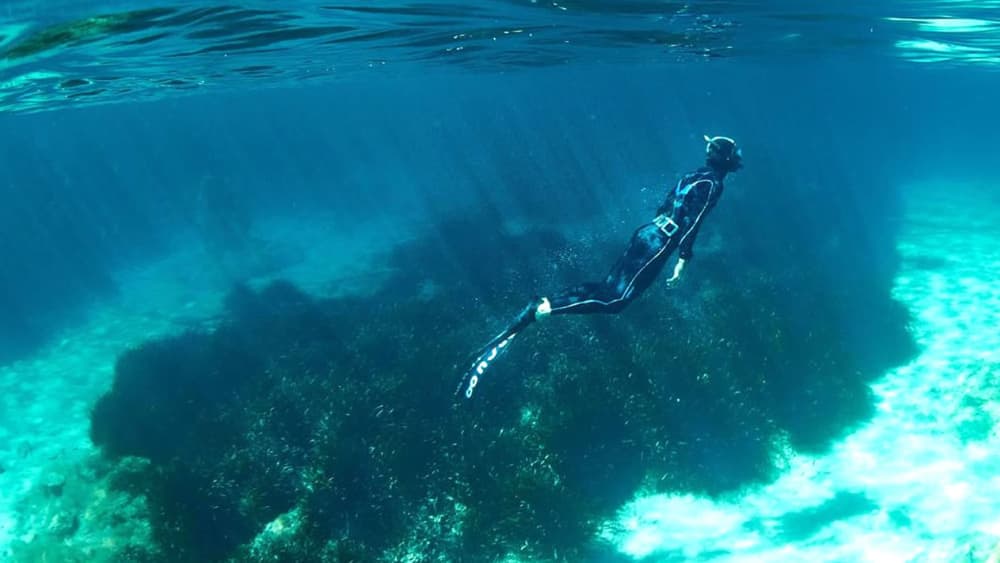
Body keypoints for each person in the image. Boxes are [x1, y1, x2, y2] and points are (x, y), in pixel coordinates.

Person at [458, 135, 743, 399]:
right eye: (735, 154)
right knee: (616, 300)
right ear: (728, 160)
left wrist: (659, 233)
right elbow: (695, 220)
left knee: (607, 287)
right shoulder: (713, 184)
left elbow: (666, 205)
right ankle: (541, 310)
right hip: (660, 244)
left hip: (647, 232)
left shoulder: (694, 175)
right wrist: (683, 258)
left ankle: (546, 303)